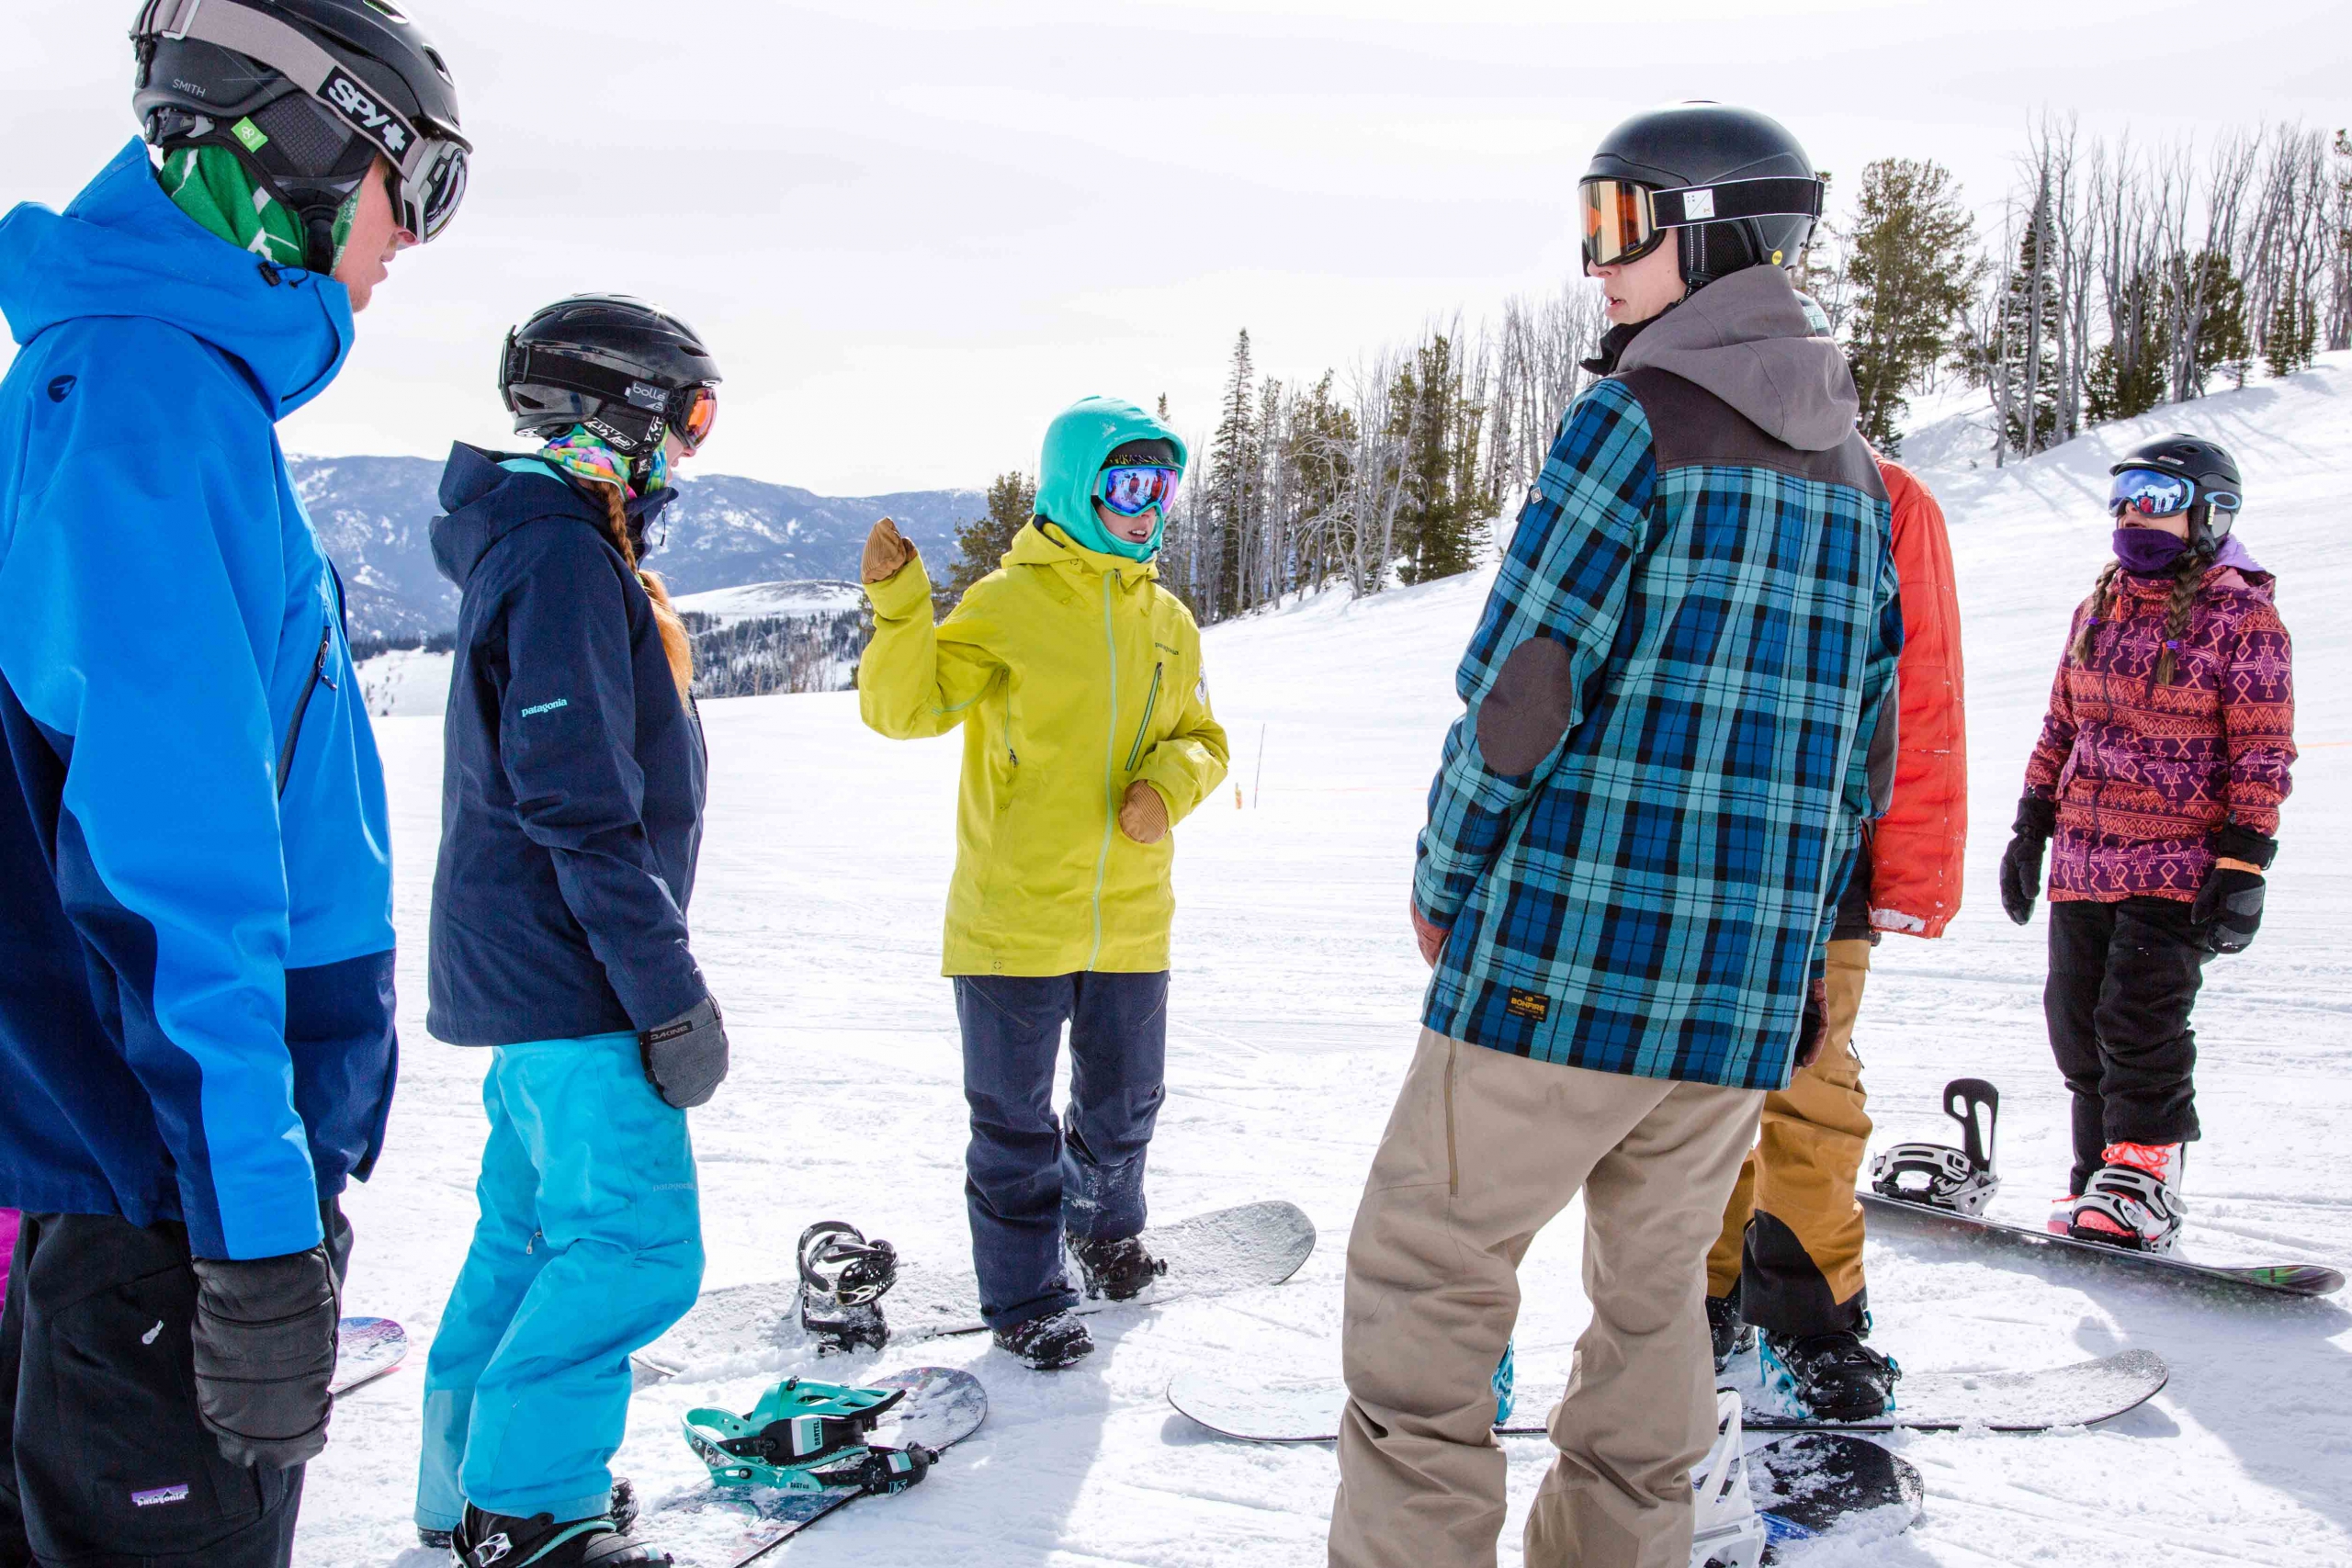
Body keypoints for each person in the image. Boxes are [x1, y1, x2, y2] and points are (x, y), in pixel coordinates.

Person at [1329, 102, 1901, 1568]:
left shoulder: (1633, 419)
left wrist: (1448, 875)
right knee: (1653, 1316)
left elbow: (1523, 684)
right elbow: (1857, 747)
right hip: (1728, 1005)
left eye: (1617, 225)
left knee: (1428, 1278)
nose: (1596, 264)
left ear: (1710, 232)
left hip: (1566, 961)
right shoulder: (1852, 469)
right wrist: (1803, 964)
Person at [0, 3, 465, 1563]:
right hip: (161, 1208)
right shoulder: (152, 408)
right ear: (312, 143)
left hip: (123, 1184)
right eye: (420, 186)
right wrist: (256, 1238)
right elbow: (168, 875)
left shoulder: (134, 386)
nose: (411, 241)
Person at [413, 297, 728, 1568]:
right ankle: (532, 1505)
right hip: (577, 980)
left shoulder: (539, 542)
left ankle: (464, 1490)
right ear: (622, 416)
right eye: (687, 420)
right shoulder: (557, 557)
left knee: (531, 1233)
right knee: (633, 1243)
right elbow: (576, 798)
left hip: (534, 981)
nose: (686, 457)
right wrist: (668, 995)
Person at [857, 397, 1230, 1371]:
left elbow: (1204, 740)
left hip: (1130, 922)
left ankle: (1104, 1233)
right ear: (1076, 487)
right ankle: (1024, 1296)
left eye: (1161, 484)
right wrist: (901, 608)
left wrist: (1167, 786)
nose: (1145, 504)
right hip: (1012, 922)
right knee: (1014, 1125)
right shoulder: (1007, 603)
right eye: (1124, 482)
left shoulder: (1168, 621)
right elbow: (905, 709)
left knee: (1122, 1107)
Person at [1704, 428, 1968, 1421]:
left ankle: (1812, 1319)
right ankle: (1699, 1293)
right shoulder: (1691, 470)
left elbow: (1924, 681)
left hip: (1825, 858)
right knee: (1690, 1092)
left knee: (1808, 1092)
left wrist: (1913, 864)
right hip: (1693, 847)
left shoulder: (1886, 496)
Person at [1999, 434, 2293, 1255]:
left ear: (2208, 513)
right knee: (2075, 1020)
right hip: (2085, 859)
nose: (2134, 511)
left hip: (2179, 862)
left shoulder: (2244, 617)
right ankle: (2100, 1171)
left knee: (2138, 1019)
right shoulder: (2097, 607)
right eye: (2124, 493)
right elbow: (2062, 724)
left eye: (2157, 496)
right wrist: (2030, 826)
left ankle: (2145, 1174)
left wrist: (2243, 863)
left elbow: (2263, 747)